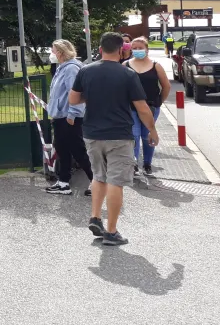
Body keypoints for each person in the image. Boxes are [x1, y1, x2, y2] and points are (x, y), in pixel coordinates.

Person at [70, 32, 159, 246]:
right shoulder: (127, 74)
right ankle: (111, 231)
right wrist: (152, 131)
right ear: (122, 51)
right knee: (115, 182)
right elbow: (142, 108)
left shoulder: (86, 71)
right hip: (119, 135)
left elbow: (73, 99)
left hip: (92, 134)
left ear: (100, 49)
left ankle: (95, 217)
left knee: (99, 176)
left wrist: (90, 97)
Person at [45, 41, 93, 195]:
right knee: (62, 148)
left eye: (53, 51)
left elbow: (75, 93)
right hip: (61, 116)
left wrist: (72, 114)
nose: (52, 54)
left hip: (68, 116)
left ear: (61, 52)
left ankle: (97, 181)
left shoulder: (71, 69)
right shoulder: (62, 68)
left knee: (77, 150)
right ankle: (63, 182)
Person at [126, 36, 171, 176]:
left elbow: (166, 86)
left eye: (140, 48)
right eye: (135, 48)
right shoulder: (125, 65)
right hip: (131, 108)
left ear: (147, 50)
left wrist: (159, 102)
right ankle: (133, 165)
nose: (138, 50)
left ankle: (147, 164)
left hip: (151, 107)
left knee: (147, 135)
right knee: (134, 135)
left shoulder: (156, 65)